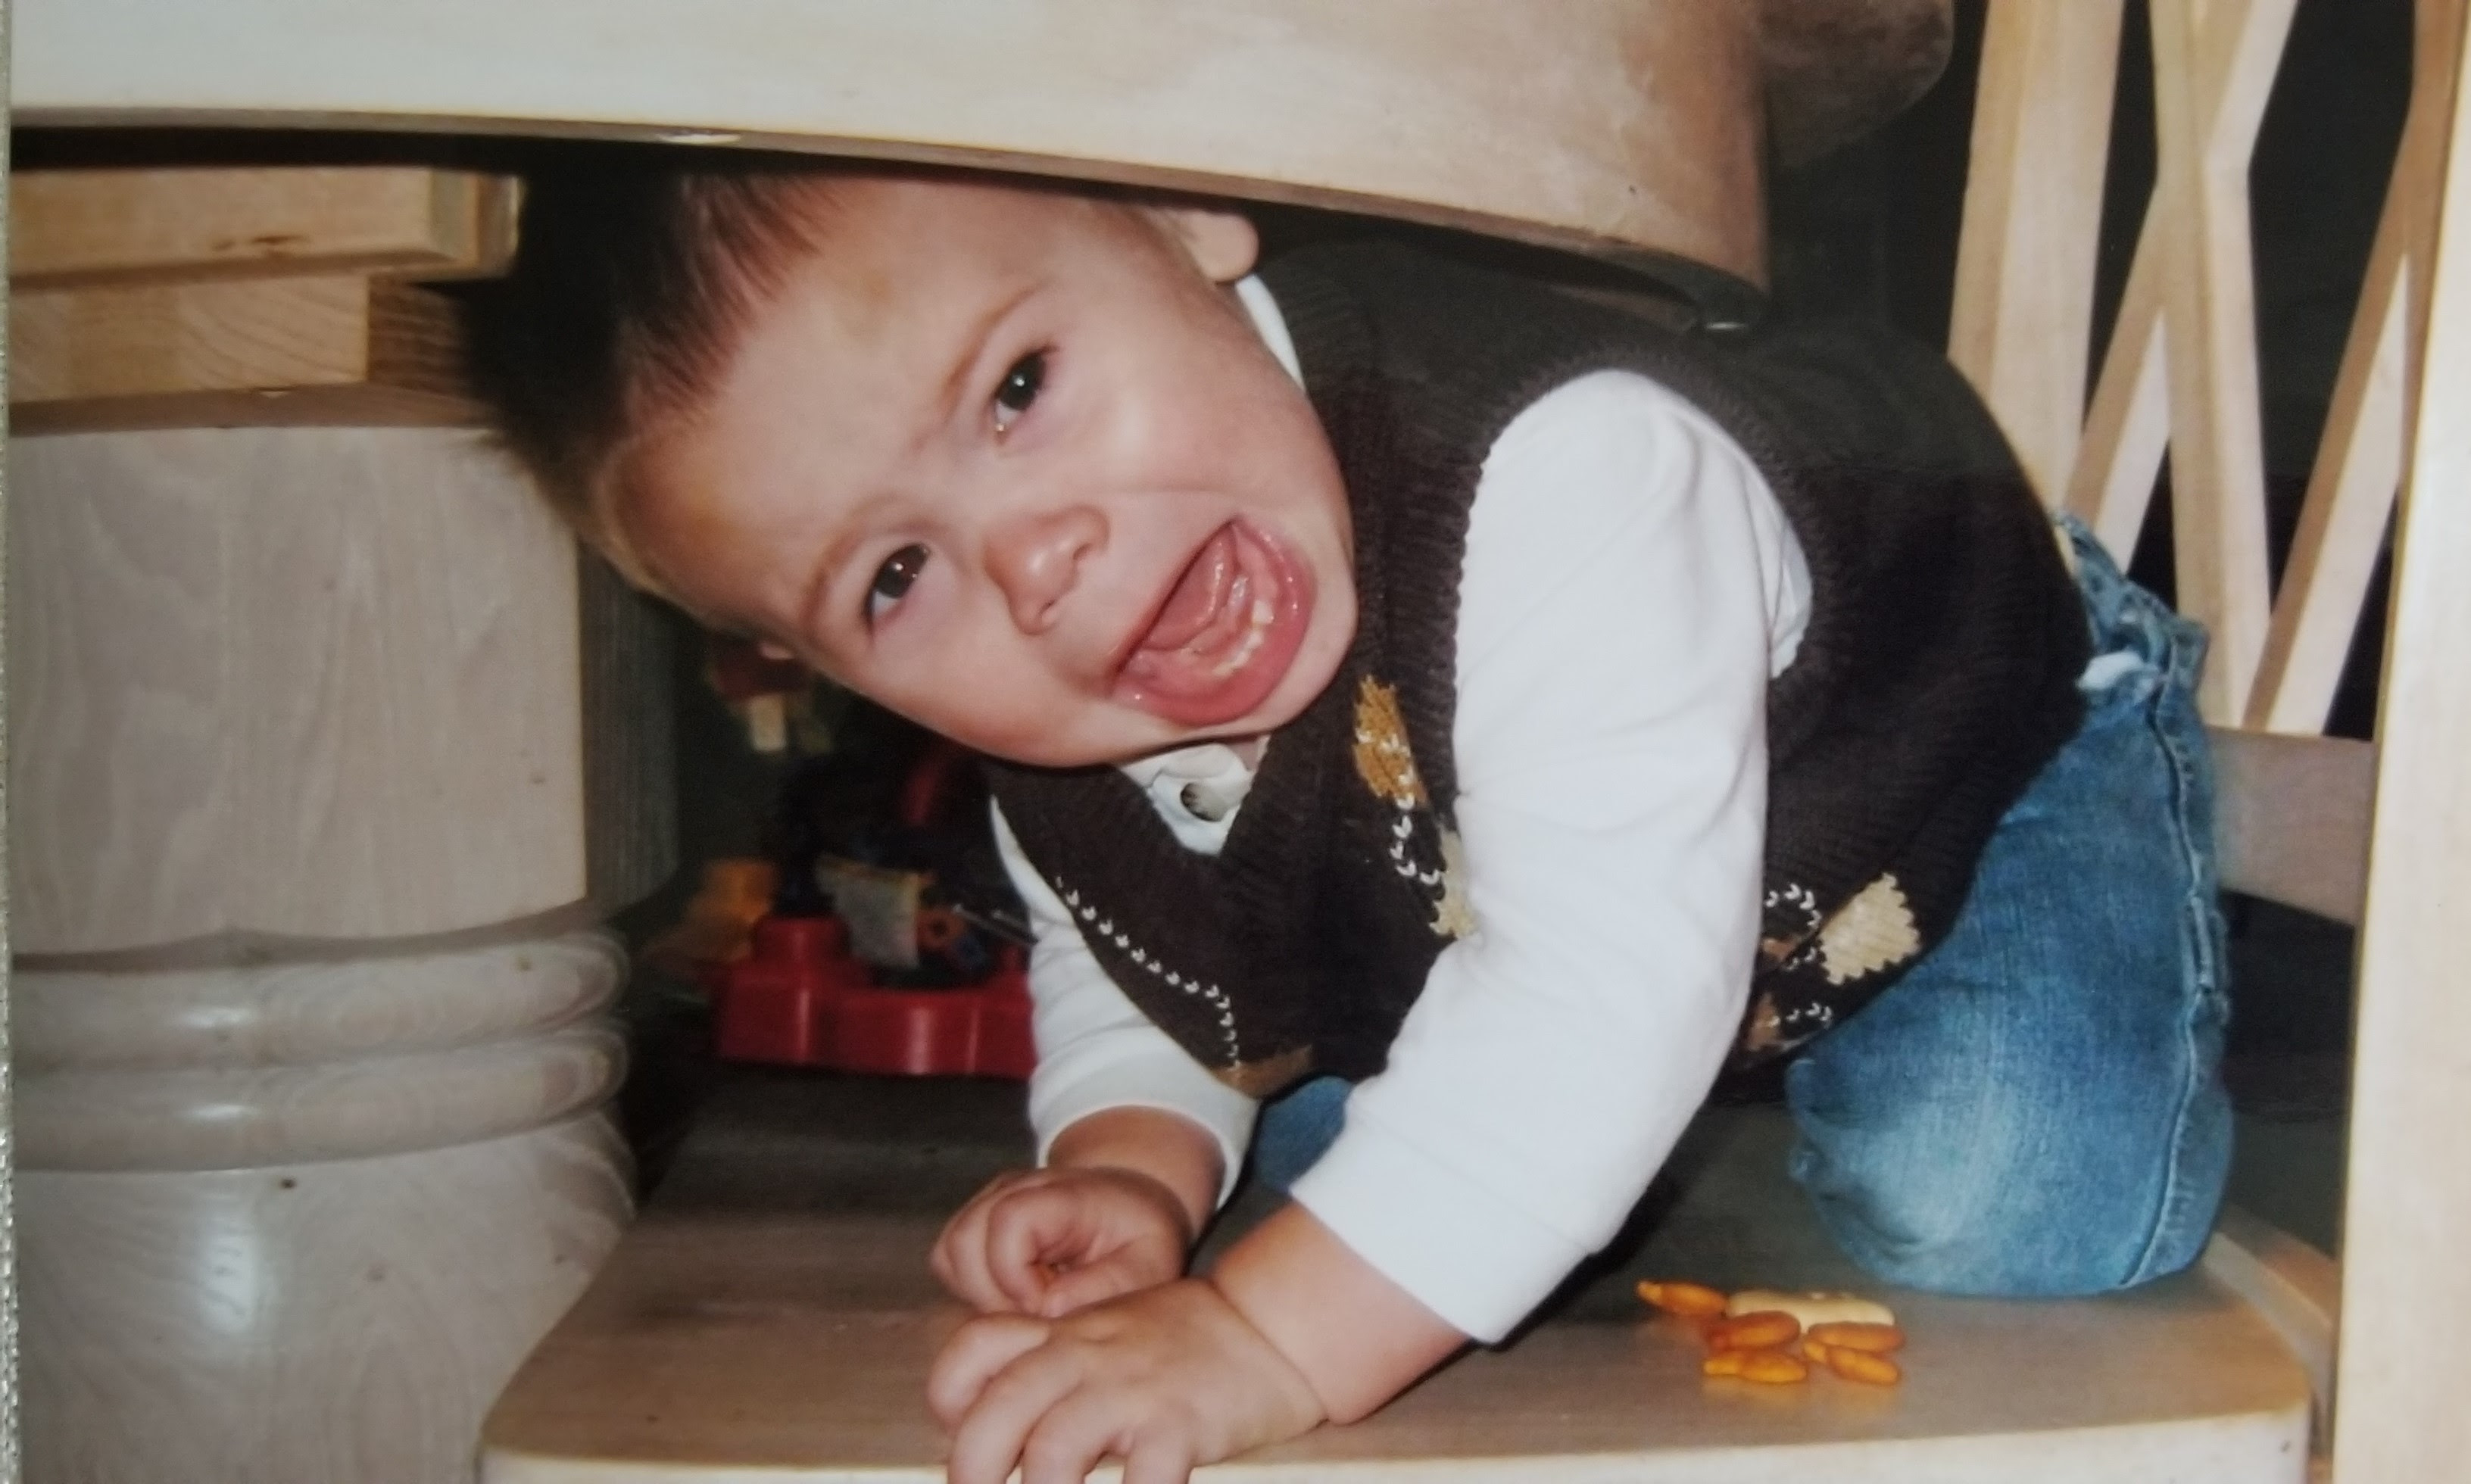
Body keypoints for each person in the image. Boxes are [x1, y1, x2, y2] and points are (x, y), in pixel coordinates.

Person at [466, 157, 2232, 1484]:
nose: (1036, 559)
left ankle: (2065, 742)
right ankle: (1587, 1124)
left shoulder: (1561, 471)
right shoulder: (1074, 692)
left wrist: (1261, 1342)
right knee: (1325, 1181)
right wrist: (1130, 1161)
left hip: (1938, 727)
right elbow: (1136, 943)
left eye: (1016, 388)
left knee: (2015, 1192)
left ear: (1181, 223)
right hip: (1602, 878)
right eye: (897, 573)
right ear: (813, 657)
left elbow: (1592, 987)